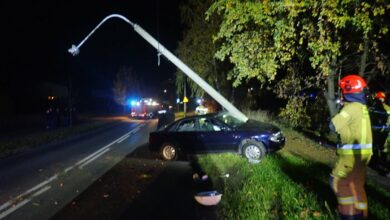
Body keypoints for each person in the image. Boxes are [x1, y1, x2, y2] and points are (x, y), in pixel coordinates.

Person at [329, 74, 373, 219]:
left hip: (350, 158)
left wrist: (338, 111)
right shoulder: (362, 107)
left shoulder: (351, 108)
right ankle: (362, 214)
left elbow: (333, 125)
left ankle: (349, 215)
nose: (340, 93)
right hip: (363, 156)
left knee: (338, 183)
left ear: (348, 90)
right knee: (357, 185)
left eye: (341, 90)